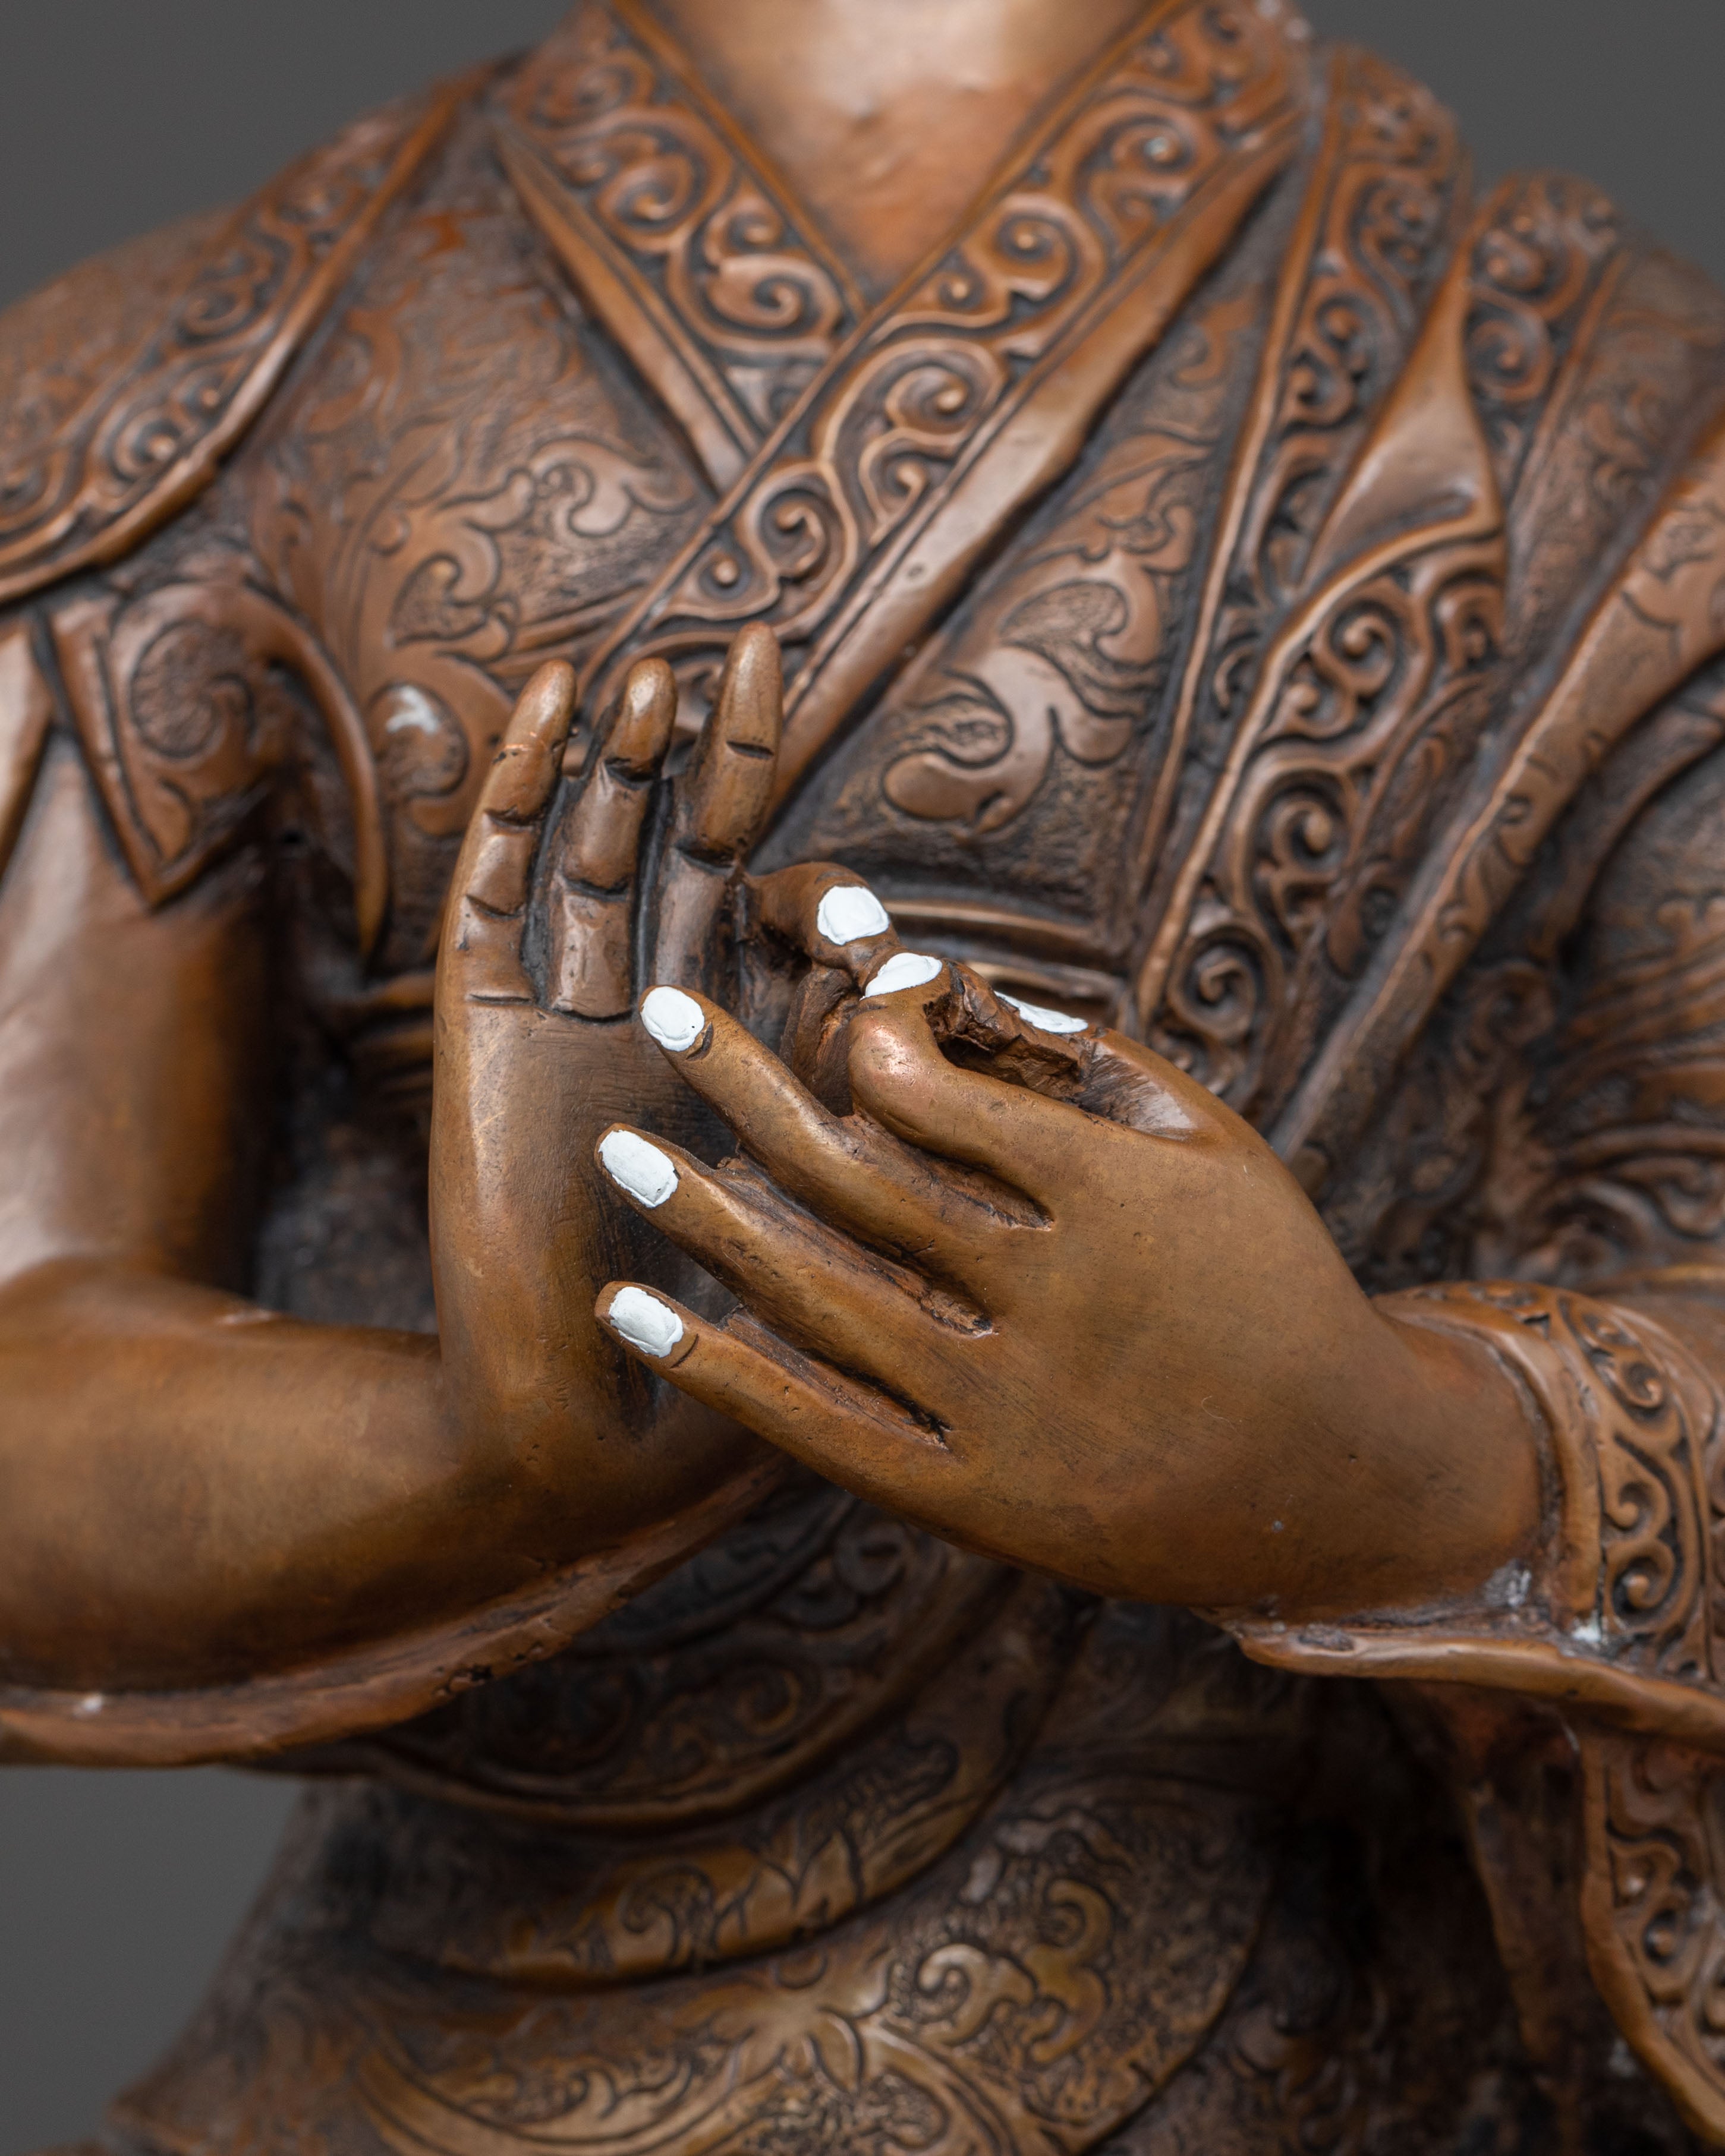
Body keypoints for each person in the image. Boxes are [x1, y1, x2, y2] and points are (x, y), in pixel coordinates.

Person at [5, 1, 1725, 2146]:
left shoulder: (1614, 409)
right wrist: (466, 1453)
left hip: (1321, 2057)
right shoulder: (194, 388)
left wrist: (1386, 1459)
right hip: (409, 2068)